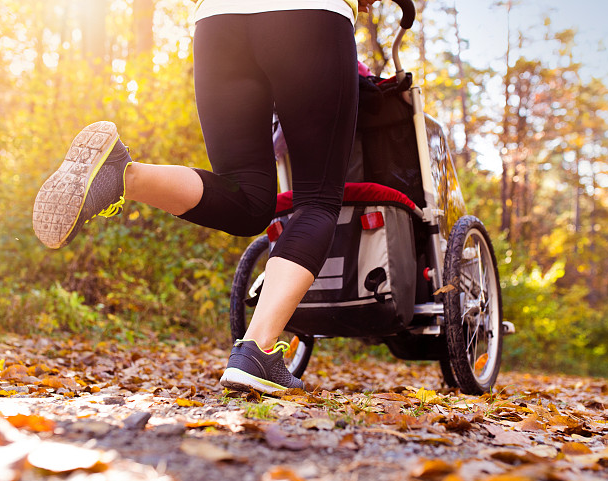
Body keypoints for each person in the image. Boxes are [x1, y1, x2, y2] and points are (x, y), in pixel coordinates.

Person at [32, 0, 376, 394]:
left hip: (217, 20)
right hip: (309, 15)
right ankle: (258, 351)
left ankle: (123, 176)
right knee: (317, 200)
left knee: (247, 197)